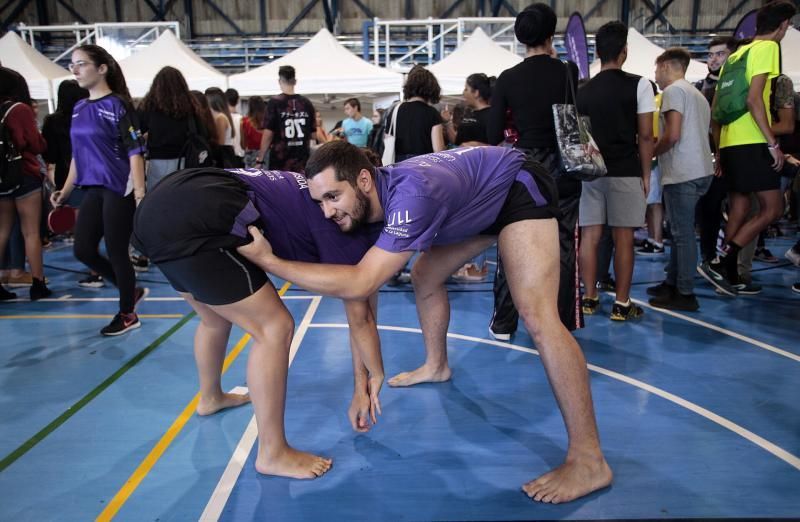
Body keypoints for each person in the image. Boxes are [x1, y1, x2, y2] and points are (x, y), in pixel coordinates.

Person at [238, 141, 613, 504]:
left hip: (517, 188)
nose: (327, 212)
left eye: (333, 197)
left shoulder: (410, 199)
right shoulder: (375, 200)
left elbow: (362, 283)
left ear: (364, 180)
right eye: (320, 200)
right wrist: (361, 382)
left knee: (537, 316)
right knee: (425, 275)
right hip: (480, 201)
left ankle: (589, 459)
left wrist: (271, 263)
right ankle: (437, 365)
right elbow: (361, 305)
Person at [132, 164, 386, 479]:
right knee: (274, 327)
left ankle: (211, 398)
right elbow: (360, 316)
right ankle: (272, 453)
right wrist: (363, 386)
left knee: (213, 317)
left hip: (158, 209)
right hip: (195, 215)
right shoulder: (342, 223)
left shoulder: (315, 185)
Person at [487, 3, 583, 337]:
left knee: (511, 242)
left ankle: (503, 321)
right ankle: (563, 321)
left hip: (525, 170)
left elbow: (493, 133)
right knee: (565, 244)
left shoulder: (508, 78)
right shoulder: (567, 71)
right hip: (564, 166)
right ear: (550, 34)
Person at [698, 0, 797, 295]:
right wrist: (773, 144)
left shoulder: (737, 54)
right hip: (752, 140)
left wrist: (718, 150)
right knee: (773, 207)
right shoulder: (767, 49)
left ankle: (727, 273)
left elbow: (716, 110)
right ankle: (723, 262)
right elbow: (755, 100)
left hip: (729, 143)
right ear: (782, 26)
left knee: (740, 207)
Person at [50, 44, 147, 336]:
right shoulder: (79, 108)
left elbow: (135, 151)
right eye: (72, 64)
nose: (74, 69)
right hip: (92, 188)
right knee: (83, 250)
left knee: (117, 252)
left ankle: (128, 313)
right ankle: (129, 290)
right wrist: (65, 191)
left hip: (119, 187)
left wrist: (140, 193)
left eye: (81, 63)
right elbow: (79, 156)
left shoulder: (118, 105)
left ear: (101, 68)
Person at [577, 21, 655, 321]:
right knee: (624, 239)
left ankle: (589, 297)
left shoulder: (583, 90)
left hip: (592, 172)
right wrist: (646, 173)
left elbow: (582, 138)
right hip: (625, 170)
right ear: (624, 52)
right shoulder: (640, 84)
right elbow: (646, 135)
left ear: (597, 52)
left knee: (590, 237)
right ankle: (622, 304)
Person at [647, 48, 714, 311]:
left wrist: (651, 153)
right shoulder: (697, 94)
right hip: (700, 170)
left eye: (656, 69)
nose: (656, 75)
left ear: (665, 66)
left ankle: (685, 291)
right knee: (680, 232)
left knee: (682, 234)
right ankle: (672, 283)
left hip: (682, 172)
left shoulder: (673, 92)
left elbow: (672, 134)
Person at [41, 80, 101, 287]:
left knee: (82, 229)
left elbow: (50, 155)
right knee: (100, 226)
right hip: (95, 175)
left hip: (68, 177)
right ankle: (101, 269)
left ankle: (95, 271)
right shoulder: (91, 117)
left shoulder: (52, 122)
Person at [0, 66, 51, 301]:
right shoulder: (18, 109)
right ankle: (37, 283)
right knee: (30, 232)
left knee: (2, 231)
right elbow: (35, 144)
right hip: (23, 174)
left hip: (1, 177)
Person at [695, 36, 738, 266]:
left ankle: (732, 259)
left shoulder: (738, 84)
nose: (713, 59)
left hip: (737, 154)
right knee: (708, 209)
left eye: (720, 54)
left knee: (742, 208)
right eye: (711, 54)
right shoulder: (700, 87)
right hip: (709, 159)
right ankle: (709, 257)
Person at [139, 67, 199, 188]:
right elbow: (199, 132)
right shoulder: (189, 105)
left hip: (157, 161)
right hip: (185, 160)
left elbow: (136, 131)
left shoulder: (148, 106)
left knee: (157, 198)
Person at [255, 65, 316, 173]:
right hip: (302, 160)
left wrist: (260, 160)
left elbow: (268, 134)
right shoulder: (306, 103)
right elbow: (313, 134)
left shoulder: (274, 103)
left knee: (280, 189)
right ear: (295, 81)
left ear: (279, 81)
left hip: (280, 160)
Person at [390, 65, 446, 161]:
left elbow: (388, 141)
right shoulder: (432, 113)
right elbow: (438, 150)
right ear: (431, 88)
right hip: (423, 167)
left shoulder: (395, 110)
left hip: (399, 166)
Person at [206, 87, 241, 168]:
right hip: (227, 155)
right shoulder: (223, 116)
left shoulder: (220, 117)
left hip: (223, 157)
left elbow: (220, 143)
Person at [241, 96, 266, 168]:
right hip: (266, 155)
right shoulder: (267, 121)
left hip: (251, 156)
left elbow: (243, 144)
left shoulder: (244, 122)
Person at [225, 88, 245, 162]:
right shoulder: (241, 119)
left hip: (227, 155)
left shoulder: (222, 118)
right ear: (237, 100)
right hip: (241, 155)